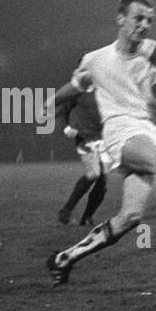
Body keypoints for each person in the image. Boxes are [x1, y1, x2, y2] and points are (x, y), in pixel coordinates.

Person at [46, 0, 156, 286]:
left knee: (130, 217)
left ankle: (63, 259)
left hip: (148, 136)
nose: (144, 25)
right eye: (138, 18)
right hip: (119, 135)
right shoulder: (96, 59)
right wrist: (49, 102)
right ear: (120, 18)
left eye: (149, 20)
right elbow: (77, 85)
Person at [55, 80, 108, 226]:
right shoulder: (76, 91)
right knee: (93, 173)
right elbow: (60, 111)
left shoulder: (104, 87)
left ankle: (87, 217)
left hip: (104, 139)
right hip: (85, 138)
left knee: (102, 183)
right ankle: (65, 211)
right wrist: (65, 128)